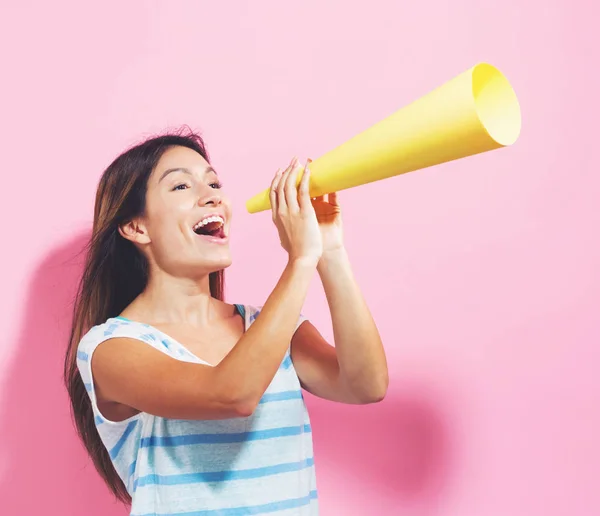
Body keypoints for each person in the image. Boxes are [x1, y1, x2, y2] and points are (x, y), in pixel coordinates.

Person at [64, 128, 388, 516]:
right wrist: (300, 260)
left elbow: (366, 384)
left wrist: (329, 251)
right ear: (137, 227)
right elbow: (231, 394)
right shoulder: (110, 348)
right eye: (182, 186)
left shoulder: (266, 326)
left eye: (214, 182)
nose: (213, 194)